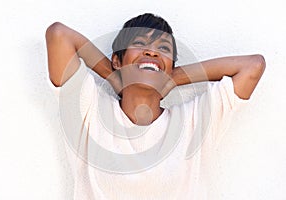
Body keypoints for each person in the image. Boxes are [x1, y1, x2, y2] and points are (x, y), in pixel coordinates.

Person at [45, 13, 265, 199]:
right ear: (117, 60)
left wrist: (172, 79)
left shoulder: (193, 121)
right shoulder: (91, 109)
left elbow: (252, 66)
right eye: (140, 44)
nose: (152, 52)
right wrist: (114, 77)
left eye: (163, 48)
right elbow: (58, 35)